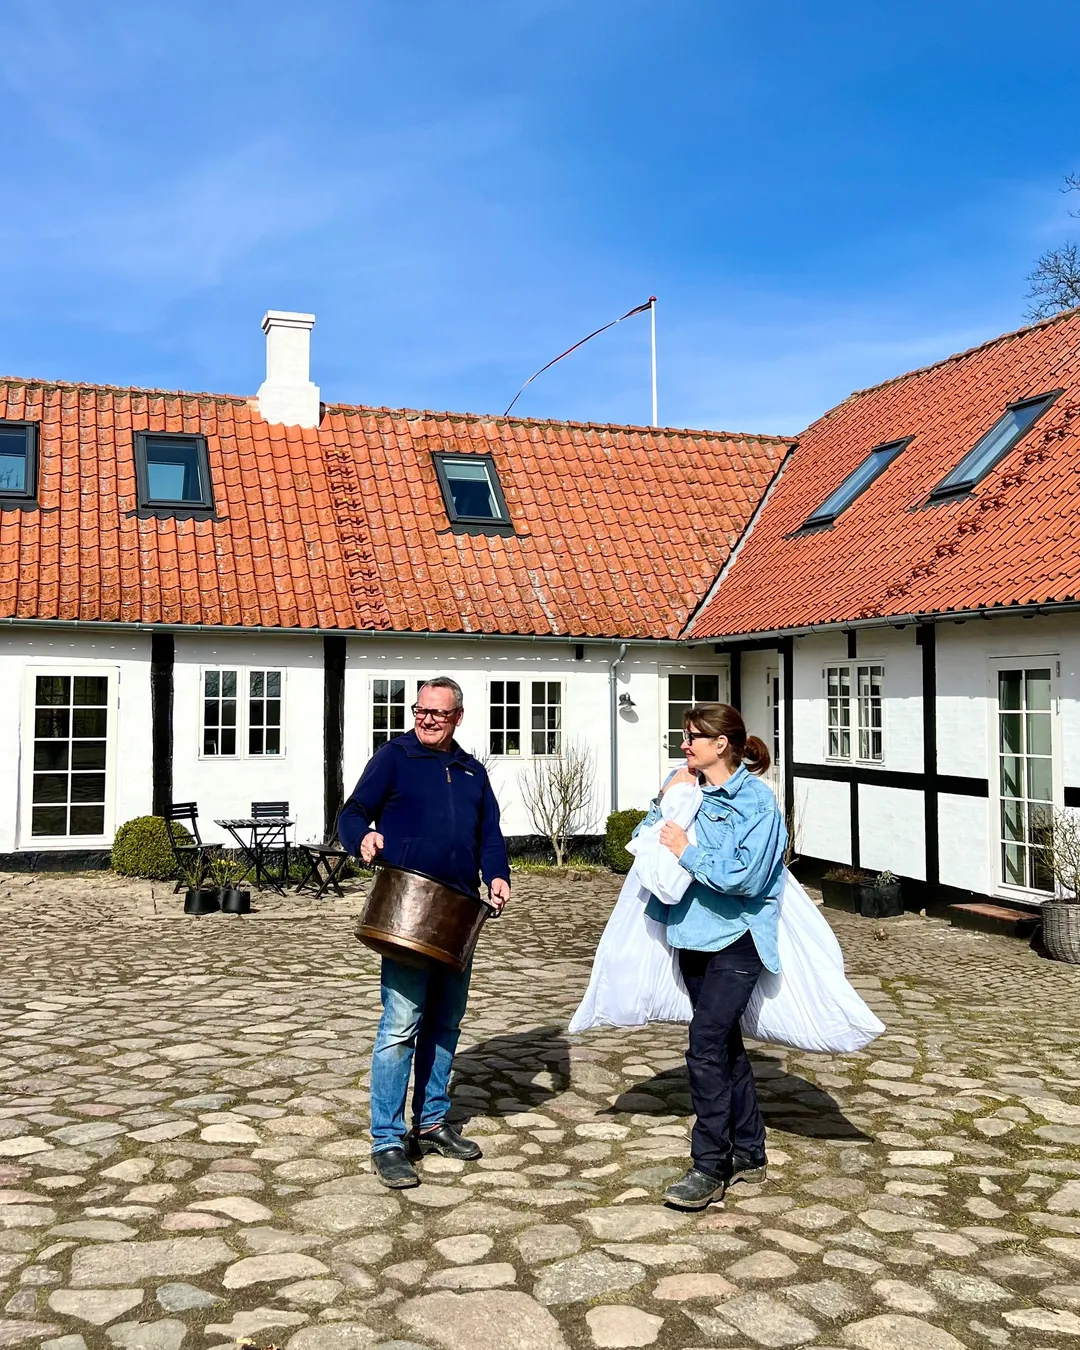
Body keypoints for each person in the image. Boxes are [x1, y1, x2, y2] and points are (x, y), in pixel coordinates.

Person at [338, 677, 511, 1189]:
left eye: (437, 713)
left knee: (446, 1024)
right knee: (400, 1024)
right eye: (420, 711)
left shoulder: (472, 771)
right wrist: (362, 837)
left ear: (458, 716)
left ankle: (432, 1122)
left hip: (458, 915)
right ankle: (387, 1140)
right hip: (407, 911)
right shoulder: (394, 758)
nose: (427, 719)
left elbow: (490, 836)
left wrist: (497, 874)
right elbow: (352, 813)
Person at [641, 702, 786, 1210]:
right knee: (724, 1046)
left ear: (720, 745)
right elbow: (644, 840)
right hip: (692, 936)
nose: (684, 745)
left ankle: (710, 1164)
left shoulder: (758, 806)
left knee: (703, 1044)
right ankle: (750, 1150)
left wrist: (685, 848)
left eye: (692, 737)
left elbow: (743, 878)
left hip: (737, 939)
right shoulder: (686, 790)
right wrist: (666, 802)